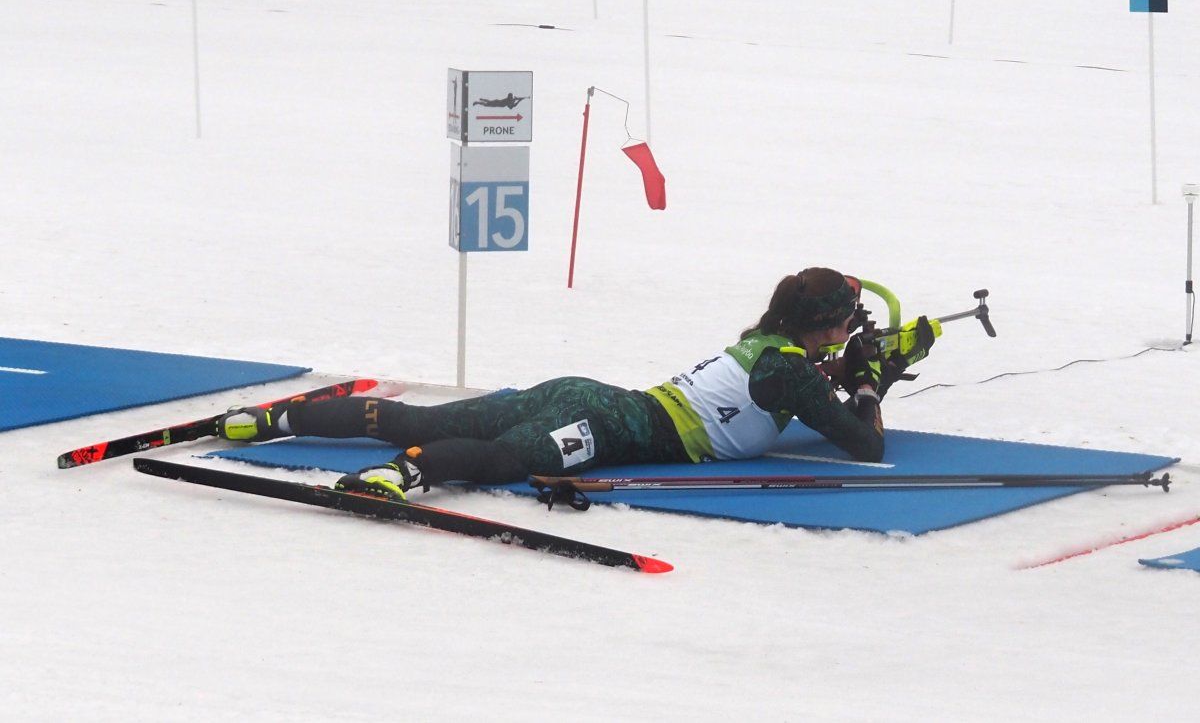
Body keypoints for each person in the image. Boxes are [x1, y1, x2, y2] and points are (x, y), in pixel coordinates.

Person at [216, 268, 934, 500]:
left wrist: (861, 371)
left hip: (591, 395)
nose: (851, 328)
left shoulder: (768, 343)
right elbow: (863, 444)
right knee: (507, 459)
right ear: (824, 324)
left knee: (423, 419)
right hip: (610, 427)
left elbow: (810, 388)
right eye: (846, 321)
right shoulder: (789, 369)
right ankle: (398, 476)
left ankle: (276, 418)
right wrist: (871, 381)